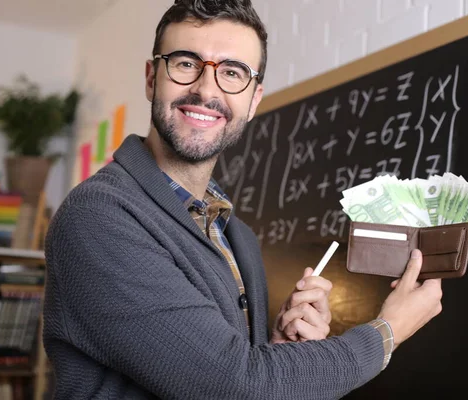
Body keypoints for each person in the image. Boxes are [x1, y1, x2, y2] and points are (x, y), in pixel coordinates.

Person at [42, 0, 443, 398]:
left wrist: (277, 348)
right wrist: (386, 333)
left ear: (253, 100)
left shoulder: (236, 236)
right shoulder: (99, 217)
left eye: (233, 73)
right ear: (151, 78)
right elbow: (234, 384)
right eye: (185, 63)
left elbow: (234, 370)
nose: (205, 89)